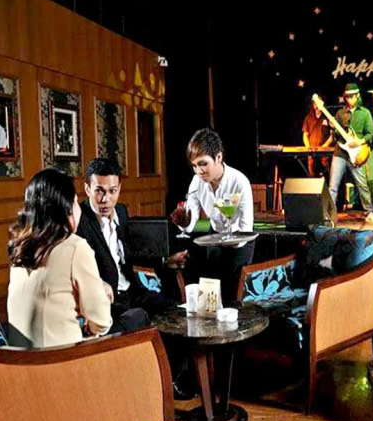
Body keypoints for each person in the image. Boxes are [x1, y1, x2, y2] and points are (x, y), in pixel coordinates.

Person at [76, 158, 187, 328]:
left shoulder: (120, 211)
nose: (106, 199)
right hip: (107, 300)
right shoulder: (80, 221)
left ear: (119, 188)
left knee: (173, 311)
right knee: (140, 317)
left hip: (132, 291)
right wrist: (99, 285)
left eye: (112, 191)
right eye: (99, 191)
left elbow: (129, 253)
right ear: (87, 189)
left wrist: (165, 261)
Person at [7, 168, 112, 347]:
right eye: (76, 201)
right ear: (66, 208)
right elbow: (100, 322)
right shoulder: (75, 247)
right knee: (135, 318)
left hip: (20, 358)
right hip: (60, 358)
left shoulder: (20, 246)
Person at [184, 128, 255, 302]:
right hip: (216, 238)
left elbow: (246, 228)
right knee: (210, 297)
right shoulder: (196, 182)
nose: (198, 171)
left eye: (203, 164)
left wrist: (228, 241)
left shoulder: (239, 182)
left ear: (218, 157)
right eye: (194, 166)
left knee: (234, 297)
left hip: (241, 242)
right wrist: (185, 221)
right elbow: (192, 220)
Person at [329, 83, 373, 223]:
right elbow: (336, 136)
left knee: (362, 184)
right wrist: (333, 129)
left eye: (352, 96)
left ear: (358, 96)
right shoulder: (340, 113)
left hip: (356, 154)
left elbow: (370, 134)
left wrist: (359, 142)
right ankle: (329, 215)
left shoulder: (365, 113)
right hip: (340, 152)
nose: (349, 99)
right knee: (333, 185)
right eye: (347, 97)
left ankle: (369, 212)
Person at [302, 98, 333, 177]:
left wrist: (325, 145)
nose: (316, 106)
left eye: (318, 103)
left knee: (325, 171)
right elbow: (305, 135)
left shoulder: (327, 117)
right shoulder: (308, 118)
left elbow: (333, 135)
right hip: (312, 150)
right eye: (315, 103)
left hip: (324, 151)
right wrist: (308, 147)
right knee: (312, 171)